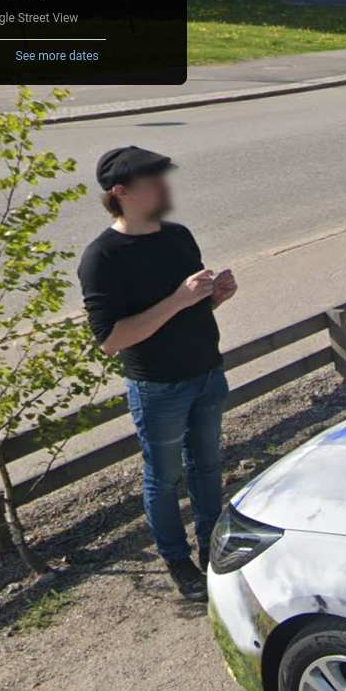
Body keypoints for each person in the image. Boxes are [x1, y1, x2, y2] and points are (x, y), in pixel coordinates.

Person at [78, 147, 236, 602]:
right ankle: (177, 560)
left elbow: (188, 309)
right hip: (158, 388)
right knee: (163, 479)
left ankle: (211, 551)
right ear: (121, 193)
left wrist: (214, 297)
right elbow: (111, 340)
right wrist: (180, 299)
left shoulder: (179, 236)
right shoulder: (102, 258)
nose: (165, 188)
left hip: (207, 372)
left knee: (207, 468)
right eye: (153, 181)